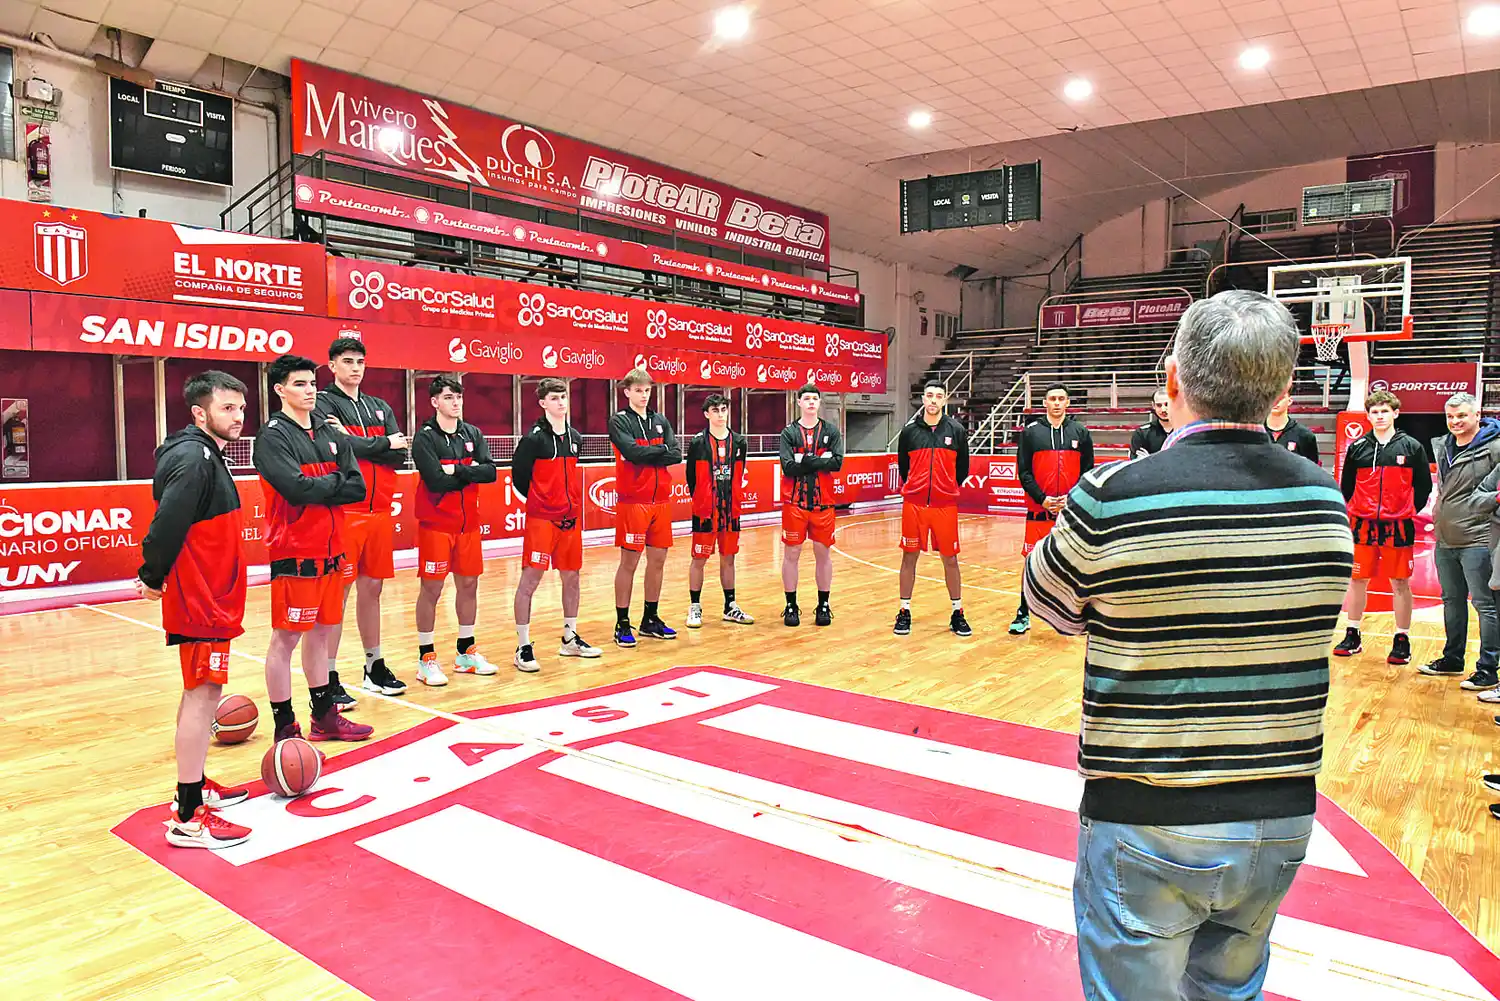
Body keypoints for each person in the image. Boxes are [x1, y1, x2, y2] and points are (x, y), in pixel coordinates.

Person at [1025, 289, 1354, 1000]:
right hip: (1277, 810)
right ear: (1281, 394)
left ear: (1172, 381)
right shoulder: (1326, 502)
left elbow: (1046, 603)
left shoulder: (1110, 494)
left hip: (1145, 810)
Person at [138, 370, 253, 849]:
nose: (238, 418)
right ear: (199, 412)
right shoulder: (193, 456)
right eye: (228, 409)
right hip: (201, 598)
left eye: (241, 409)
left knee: (202, 693)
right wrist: (151, 573)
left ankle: (197, 784)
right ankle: (189, 815)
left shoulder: (205, 452)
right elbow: (167, 520)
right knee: (203, 695)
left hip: (213, 595)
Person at [253, 354, 373, 744]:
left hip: (333, 551)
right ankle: (285, 725)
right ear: (280, 389)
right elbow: (293, 489)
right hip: (296, 552)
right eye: (300, 384)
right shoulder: (272, 436)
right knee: (286, 639)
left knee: (321, 634)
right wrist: (333, 484)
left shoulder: (328, 429)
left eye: (312, 383)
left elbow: (358, 487)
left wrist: (322, 486)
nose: (310, 391)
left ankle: (324, 717)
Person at [315, 336, 410, 703]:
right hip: (345, 513)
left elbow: (400, 455)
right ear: (333, 366)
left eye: (360, 362)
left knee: (373, 591)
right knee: (337, 595)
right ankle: (329, 674)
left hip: (380, 511)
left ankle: (374, 665)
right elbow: (336, 447)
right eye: (348, 361)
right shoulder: (323, 403)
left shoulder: (380, 406)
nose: (355, 368)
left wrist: (367, 443)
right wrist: (385, 444)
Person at [510, 377, 602, 673]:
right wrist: (542, 504)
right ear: (542, 403)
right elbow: (519, 478)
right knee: (530, 581)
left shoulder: (575, 436)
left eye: (563, 397)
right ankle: (523, 645)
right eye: (554, 398)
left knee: (572, 577)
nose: (561, 402)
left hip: (570, 521)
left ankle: (570, 638)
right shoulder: (534, 438)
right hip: (542, 521)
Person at [412, 374, 498, 686]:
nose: (456, 402)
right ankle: (426, 658)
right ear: (435, 402)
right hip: (436, 525)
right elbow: (435, 480)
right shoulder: (425, 437)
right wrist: (469, 472)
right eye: (449, 397)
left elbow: (490, 472)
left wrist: (458, 470)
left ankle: (465, 652)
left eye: (458, 397)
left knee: (469, 586)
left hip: (468, 527)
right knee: (432, 589)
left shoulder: (472, 432)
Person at [1334, 390, 1431, 665]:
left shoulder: (1412, 447)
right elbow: (1347, 486)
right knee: (1357, 580)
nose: (1379, 416)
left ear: (1395, 413)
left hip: (1397, 527)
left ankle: (1402, 638)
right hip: (1362, 525)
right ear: (1368, 416)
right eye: (1374, 412)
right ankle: (1352, 633)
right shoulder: (1357, 448)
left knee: (1400, 582)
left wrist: (1408, 511)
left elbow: (1423, 486)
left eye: (1384, 411)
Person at [1423, 393, 1500, 689]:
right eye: (1450, 417)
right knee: (1452, 601)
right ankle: (1453, 659)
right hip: (1445, 537)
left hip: (1480, 537)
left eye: (1462, 416)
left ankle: (1488, 669)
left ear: (1476, 415)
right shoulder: (1444, 446)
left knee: (1484, 604)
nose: (1455, 422)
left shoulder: (1494, 446)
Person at [607, 367, 682, 647]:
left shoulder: (660, 420)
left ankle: (650, 618)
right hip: (633, 502)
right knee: (630, 562)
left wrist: (658, 453)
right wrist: (660, 452)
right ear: (627, 392)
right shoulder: (619, 421)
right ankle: (622, 622)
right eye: (638, 390)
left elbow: (676, 453)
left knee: (658, 561)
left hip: (660, 501)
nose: (643, 395)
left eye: (647, 390)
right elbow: (632, 453)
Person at [1010, 383, 1093, 635]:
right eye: (1052, 399)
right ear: (1044, 403)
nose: (1057, 403)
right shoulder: (1031, 433)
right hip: (1039, 511)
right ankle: (1023, 614)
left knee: (1077, 563)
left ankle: (1077, 616)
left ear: (1068, 403)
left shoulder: (1081, 432)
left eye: (1061, 399)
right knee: (1031, 563)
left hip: (1070, 514)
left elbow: (1087, 472)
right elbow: (1023, 472)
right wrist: (1043, 498)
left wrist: (1071, 498)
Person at [894, 379, 971, 637]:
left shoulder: (957, 430)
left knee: (950, 559)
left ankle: (957, 612)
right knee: (909, 557)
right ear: (923, 399)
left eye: (939, 395)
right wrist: (917, 486)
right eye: (929, 395)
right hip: (914, 504)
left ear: (945, 400)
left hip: (944, 505)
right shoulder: (909, 432)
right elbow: (904, 467)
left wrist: (945, 487)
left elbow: (963, 469)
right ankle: (904, 610)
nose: (934, 400)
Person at [685, 393, 754, 628]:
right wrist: (703, 500)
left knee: (729, 558)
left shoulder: (740, 442)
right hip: (705, 512)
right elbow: (691, 479)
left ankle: (730, 606)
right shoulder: (697, 443)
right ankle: (695, 607)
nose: (720, 414)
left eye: (723, 409)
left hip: (730, 511)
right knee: (699, 558)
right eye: (715, 410)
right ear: (706, 414)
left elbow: (739, 474)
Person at [779, 383, 844, 627]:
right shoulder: (788, 433)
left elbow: (837, 463)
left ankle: (823, 604)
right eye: (806, 398)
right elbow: (788, 467)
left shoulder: (831, 431)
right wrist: (820, 459)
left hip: (823, 504)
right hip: (795, 504)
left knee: (823, 554)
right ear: (799, 402)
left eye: (814, 399)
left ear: (819, 403)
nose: (810, 402)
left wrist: (805, 459)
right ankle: (790, 604)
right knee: (792, 553)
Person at [1265, 390, 1321, 464]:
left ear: (1290, 401)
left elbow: (1312, 471)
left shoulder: (1305, 435)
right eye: (1271, 397)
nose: (1275, 401)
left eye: (1281, 398)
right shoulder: (1254, 432)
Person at [1128, 387, 1172, 457]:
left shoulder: (1185, 431)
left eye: (1167, 404)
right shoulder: (1142, 433)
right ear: (1153, 405)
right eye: (1159, 405)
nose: (1163, 409)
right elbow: (1138, 463)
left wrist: (1150, 460)